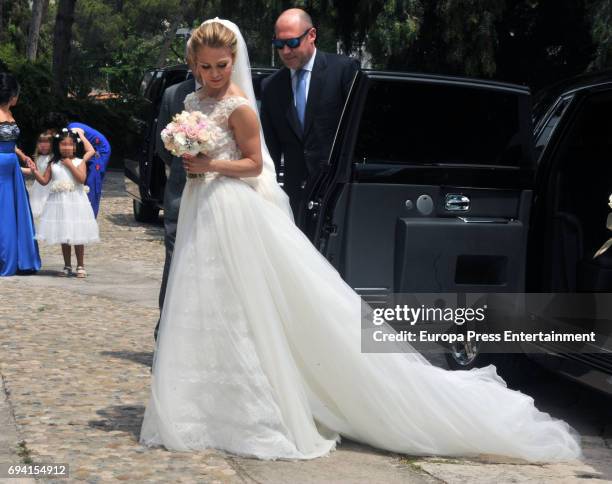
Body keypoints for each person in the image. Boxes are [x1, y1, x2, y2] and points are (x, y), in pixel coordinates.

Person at [140, 19, 581, 462]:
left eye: (221, 65)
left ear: (232, 62)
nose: (214, 74)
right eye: (205, 67)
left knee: (245, 305)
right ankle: (203, 407)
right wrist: (188, 154)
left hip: (232, 206)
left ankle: (254, 408)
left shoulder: (240, 106)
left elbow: (255, 164)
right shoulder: (191, 101)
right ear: (193, 65)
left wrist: (211, 166)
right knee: (203, 301)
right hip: (201, 208)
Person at [260, 8, 359, 219]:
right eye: (279, 45)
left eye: (292, 43)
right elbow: (270, 149)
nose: (285, 51)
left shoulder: (343, 71)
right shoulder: (271, 87)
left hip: (338, 192)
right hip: (294, 197)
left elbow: (357, 134)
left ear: (311, 35)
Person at [153, 52, 198, 341]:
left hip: (221, 196)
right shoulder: (174, 93)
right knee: (175, 262)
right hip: (180, 194)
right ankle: (167, 334)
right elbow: (163, 147)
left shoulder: (239, 93)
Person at [29, 129, 99, 278]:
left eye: (70, 145)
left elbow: (81, 179)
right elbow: (44, 181)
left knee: (78, 233)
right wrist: (34, 171)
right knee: (64, 233)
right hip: (59, 203)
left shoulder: (80, 162)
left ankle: (80, 265)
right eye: (63, 144)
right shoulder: (53, 163)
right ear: (57, 146)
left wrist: (69, 165)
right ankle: (67, 265)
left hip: (76, 202)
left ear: (75, 146)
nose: (66, 148)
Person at [0, 72, 41, 276]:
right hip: (1, 167)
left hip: (11, 166)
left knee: (13, 211)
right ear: (11, 95)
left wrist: (23, 156)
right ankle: (5, 258)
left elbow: (9, 141)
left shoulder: (8, 113)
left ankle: (19, 258)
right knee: (4, 212)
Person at [27, 130, 55, 218]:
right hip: (38, 188)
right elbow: (35, 171)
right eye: (40, 142)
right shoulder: (38, 157)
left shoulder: (52, 158)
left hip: (49, 187)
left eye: (47, 142)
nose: (43, 145)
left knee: (48, 212)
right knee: (36, 212)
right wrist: (19, 169)